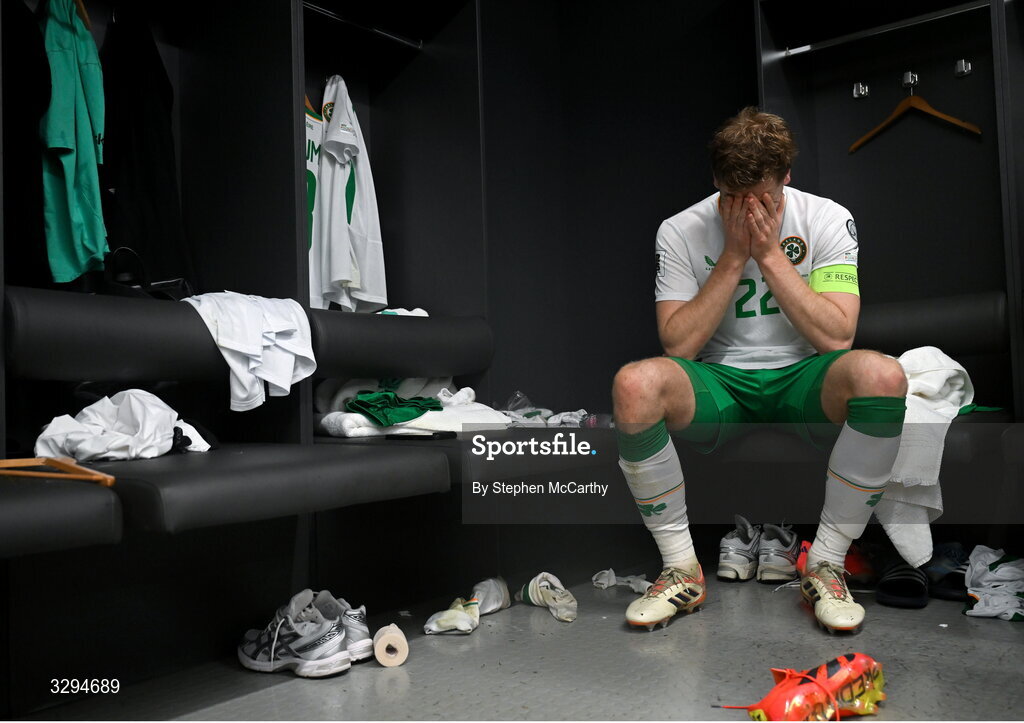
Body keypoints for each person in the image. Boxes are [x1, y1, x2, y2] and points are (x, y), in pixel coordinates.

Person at [613, 106, 907, 634]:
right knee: (634, 384)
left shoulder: (826, 217)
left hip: (804, 378)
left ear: (787, 178)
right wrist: (731, 257)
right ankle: (681, 569)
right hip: (720, 380)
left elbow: (837, 336)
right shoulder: (679, 229)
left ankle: (826, 564)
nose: (749, 209)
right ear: (714, 181)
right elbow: (677, 346)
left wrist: (770, 256)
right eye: (732, 196)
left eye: (764, 197)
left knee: (882, 376)